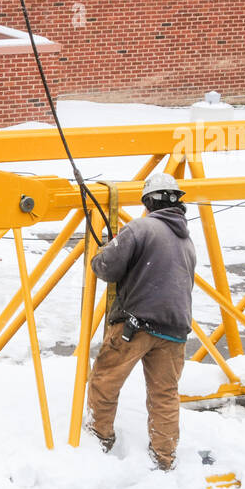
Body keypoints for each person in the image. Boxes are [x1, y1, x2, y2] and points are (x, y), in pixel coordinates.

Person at [85, 172, 197, 471]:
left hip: (136, 326)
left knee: (105, 382)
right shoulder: (186, 240)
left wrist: (104, 252)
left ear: (148, 201)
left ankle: (98, 441)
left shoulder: (141, 228)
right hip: (175, 331)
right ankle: (164, 458)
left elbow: (106, 269)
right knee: (164, 396)